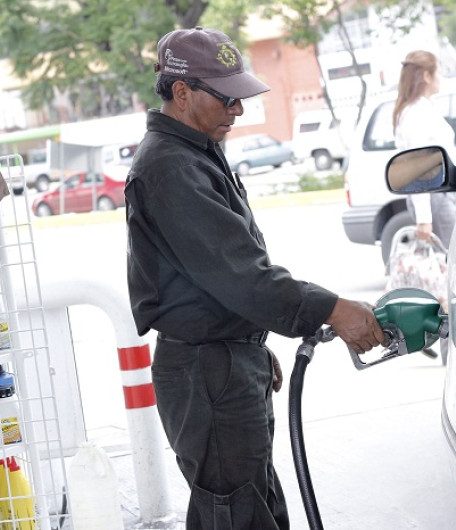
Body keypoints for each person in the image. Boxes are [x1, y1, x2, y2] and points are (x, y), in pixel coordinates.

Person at [124, 26, 386, 530]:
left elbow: (214, 278)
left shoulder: (195, 151)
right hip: (207, 369)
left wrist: (246, 345)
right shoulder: (171, 167)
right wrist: (333, 309)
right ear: (182, 92)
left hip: (220, 361)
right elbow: (241, 275)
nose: (239, 110)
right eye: (227, 98)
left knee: (252, 503)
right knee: (237, 514)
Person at [393, 50, 456, 248]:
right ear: (426, 76)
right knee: (450, 258)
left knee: (450, 257)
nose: (440, 78)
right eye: (438, 72)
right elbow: (417, 167)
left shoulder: (422, 109)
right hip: (433, 197)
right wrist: (424, 218)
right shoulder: (416, 114)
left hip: (438, 195)